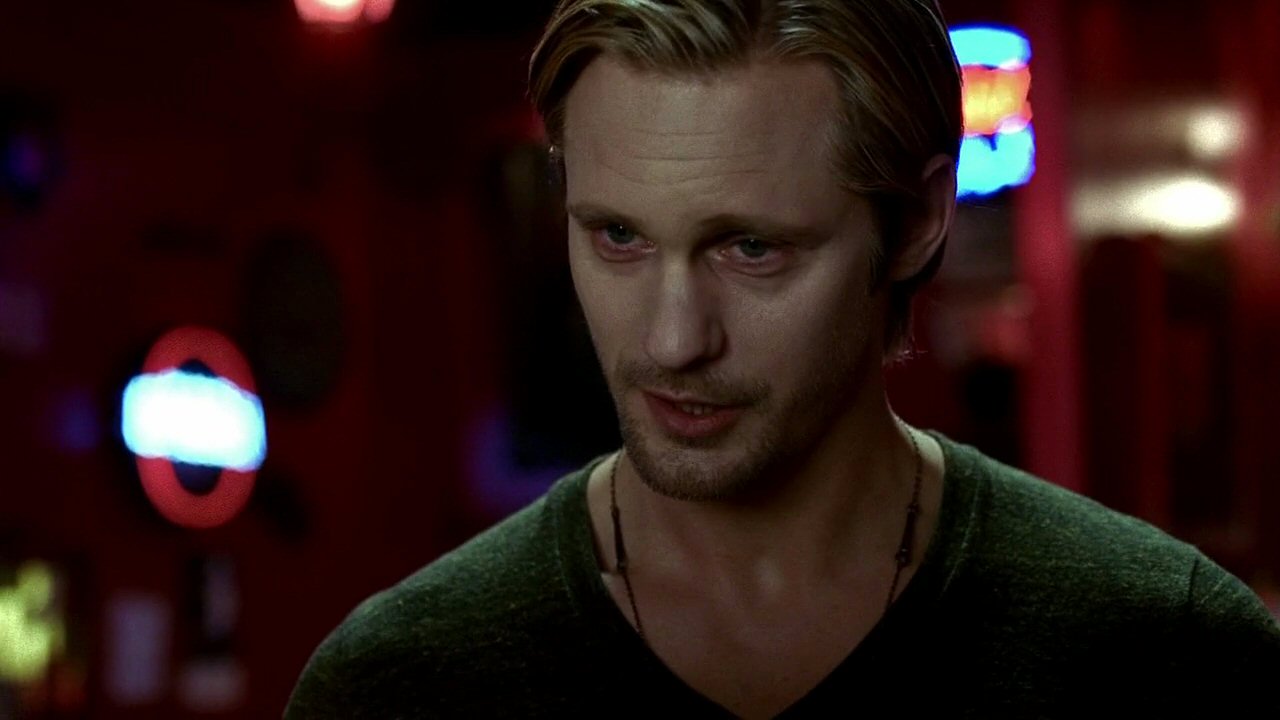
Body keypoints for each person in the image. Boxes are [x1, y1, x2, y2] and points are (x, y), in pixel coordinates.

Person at [284, 1, 1280, 716]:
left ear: (915, 223)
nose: (672, 339)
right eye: (618, 237)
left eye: (750, 248)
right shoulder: (400, 684)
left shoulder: (1166, 652)